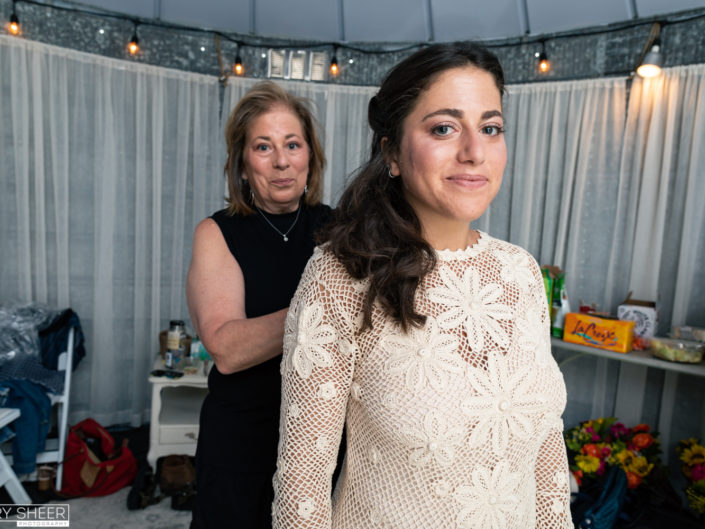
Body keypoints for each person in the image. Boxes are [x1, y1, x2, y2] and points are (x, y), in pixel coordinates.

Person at [272, 42, 573, 528]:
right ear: (391, 151)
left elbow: (545, 450)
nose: (475, 152)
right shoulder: (342, 275)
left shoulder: (520, 272)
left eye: (490, 128)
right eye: (444, 128)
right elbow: (302, 483)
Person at [186, 81, 332, 529]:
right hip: (241, 443)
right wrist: (325, 309)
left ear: (311, 155)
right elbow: (227, 351)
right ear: (243, 164)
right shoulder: (218, 232)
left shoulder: (338, 227)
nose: (282, 161)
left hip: (321, 443)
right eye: (264, 147)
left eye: (293, 144)